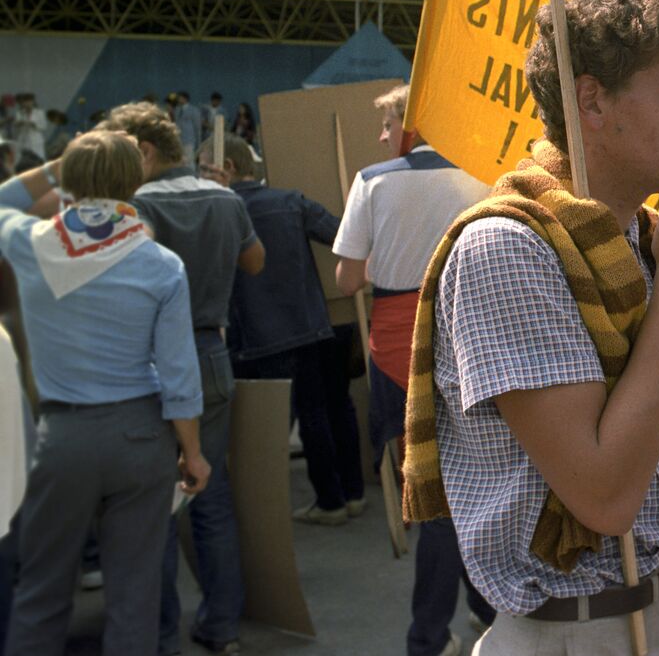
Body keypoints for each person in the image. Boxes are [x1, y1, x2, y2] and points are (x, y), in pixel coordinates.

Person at [402, 0, 659, 654]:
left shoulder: (638, 239)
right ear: (591, 100)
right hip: (576, 633)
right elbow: (608, 498)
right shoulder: (509, 248)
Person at [0, 132, 210, 655]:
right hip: (140, 437)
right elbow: (179, 375)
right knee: (134, 599)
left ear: (68, 178)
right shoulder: (160, 263)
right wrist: (193, 453)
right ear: (134, 180)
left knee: (41, 591)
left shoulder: (31, 245)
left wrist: (59, 166)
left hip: (63, 437)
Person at [332, 84, 493, 655]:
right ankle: (484, 607)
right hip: (473, 343)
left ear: (414, 124)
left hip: (400, 350)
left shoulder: (373, 181)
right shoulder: (484, 177)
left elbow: (347, 281)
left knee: (435, 500)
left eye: (388, 123)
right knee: (473, 481)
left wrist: (385, 254)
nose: (381, 136)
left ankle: (428, 636)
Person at [99, 102, 264, 656]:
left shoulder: (137, 206)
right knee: (211, 495)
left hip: (150, 359)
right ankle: (223, 626)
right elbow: (255, 262)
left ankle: (160, 634)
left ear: (144, 152)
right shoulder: (225, 198)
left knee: (155, 504)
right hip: (213, 354)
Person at [198, 133, 364, 525]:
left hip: (252, 339)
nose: (199, 176)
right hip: (308, 328)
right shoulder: (290, 201)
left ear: (227, 167)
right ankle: (338, 498)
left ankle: (264, 517)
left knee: (259, 433)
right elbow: (343, 234)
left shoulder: (216, 211)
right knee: (316, 415)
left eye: (203, 168)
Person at [172, 92, 202, 165]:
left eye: (180, 98)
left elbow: (197, 126)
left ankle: (191, 172)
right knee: (180, 160)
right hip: (179, 139)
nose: (179, 100)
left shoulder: (193, 110)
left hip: (189, 139)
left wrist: (198, 141)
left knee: (189, 160)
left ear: (185, 99)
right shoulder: (177, 110)